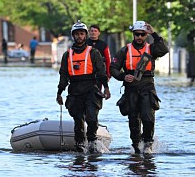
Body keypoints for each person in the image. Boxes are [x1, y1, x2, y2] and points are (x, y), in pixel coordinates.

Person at [110, 21, 169, 154]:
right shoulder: (124, 50)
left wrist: (154, 34)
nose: (139, 37)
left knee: (148, 117)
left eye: (142, 34)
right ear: (133, 34)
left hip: (147, 86)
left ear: (146, 35)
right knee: (134, 121)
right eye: (137, 34)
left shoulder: (152, 49)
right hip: (131, 89)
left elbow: (164, 50)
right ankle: (136, 146)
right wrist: (123, 76)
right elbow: (113, 68)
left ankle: (148, 143)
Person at [56, 20, 111, 153]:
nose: (79, 36)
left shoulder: (94, 52)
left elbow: (101, 71)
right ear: (73, 36)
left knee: (92, 118)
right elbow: (63, 75)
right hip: (75, 90)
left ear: (85, 35)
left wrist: (106, 88)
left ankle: (92, 142)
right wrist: (59, 93)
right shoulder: (67, 55)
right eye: (77, 34)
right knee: (78, 120)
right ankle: (80, 145)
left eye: (82, 34)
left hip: (91, 89)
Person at [87, 24, 112, 89]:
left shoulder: (103, 45)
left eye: (95, 31)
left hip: (99, 72)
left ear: (99, 33)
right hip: (86, 73)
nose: (93, 32)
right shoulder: (84, 43)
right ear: (89, 32)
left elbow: (108, 59)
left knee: (97, 92)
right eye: (92, 31)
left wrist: (108, 74)